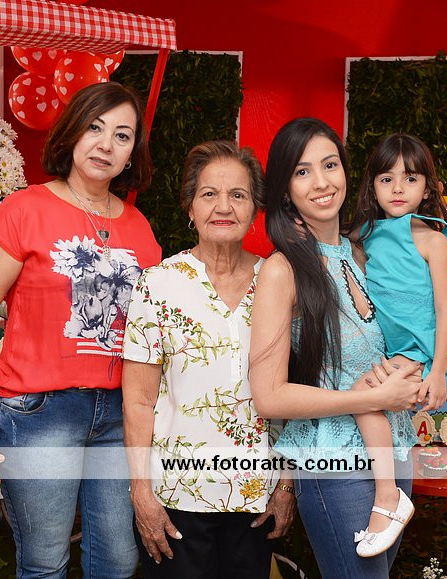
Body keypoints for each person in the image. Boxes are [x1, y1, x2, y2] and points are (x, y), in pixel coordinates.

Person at [0, 81, 161, 578]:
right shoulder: (24, 211)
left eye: (122, 135)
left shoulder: (140, 228)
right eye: (95, 127)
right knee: (44, 562)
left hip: (119, 416)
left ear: (132, 153)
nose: (106, 144)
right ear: (73, 132)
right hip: (39, 414)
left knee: (119, 560)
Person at [248, 118, 422, 577]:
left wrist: (413, 374)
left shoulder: (365, 253)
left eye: (330, 165)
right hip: (335, 463)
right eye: (302, 172)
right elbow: (269, 396)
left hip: (395, 449)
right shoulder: (282, 270)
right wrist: (371, 397)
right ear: (286, 190)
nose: (322, 182)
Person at [122, 140, 295, 579]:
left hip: (256, 493)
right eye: (209, 194)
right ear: (190, 206)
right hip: (176, 496)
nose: (223, 207)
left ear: (255, 208)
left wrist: (287, 484)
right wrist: (141, 491)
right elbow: (139, 400)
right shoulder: (157, 284)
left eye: (238, 195)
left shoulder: (277, 280)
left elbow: (295, 390)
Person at [348, 133, 447, 557]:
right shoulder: (365, 236)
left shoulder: (433, 240)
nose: (398, 188)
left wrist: (438, 371)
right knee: (367, 398)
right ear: (372, 186)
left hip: (425, 353)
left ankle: (389, 497)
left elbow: (446, 312)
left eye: (410, 179)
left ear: (427, 188)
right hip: (394, 353)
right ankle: (389, 491)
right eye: (386, 179)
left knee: (361, 396)